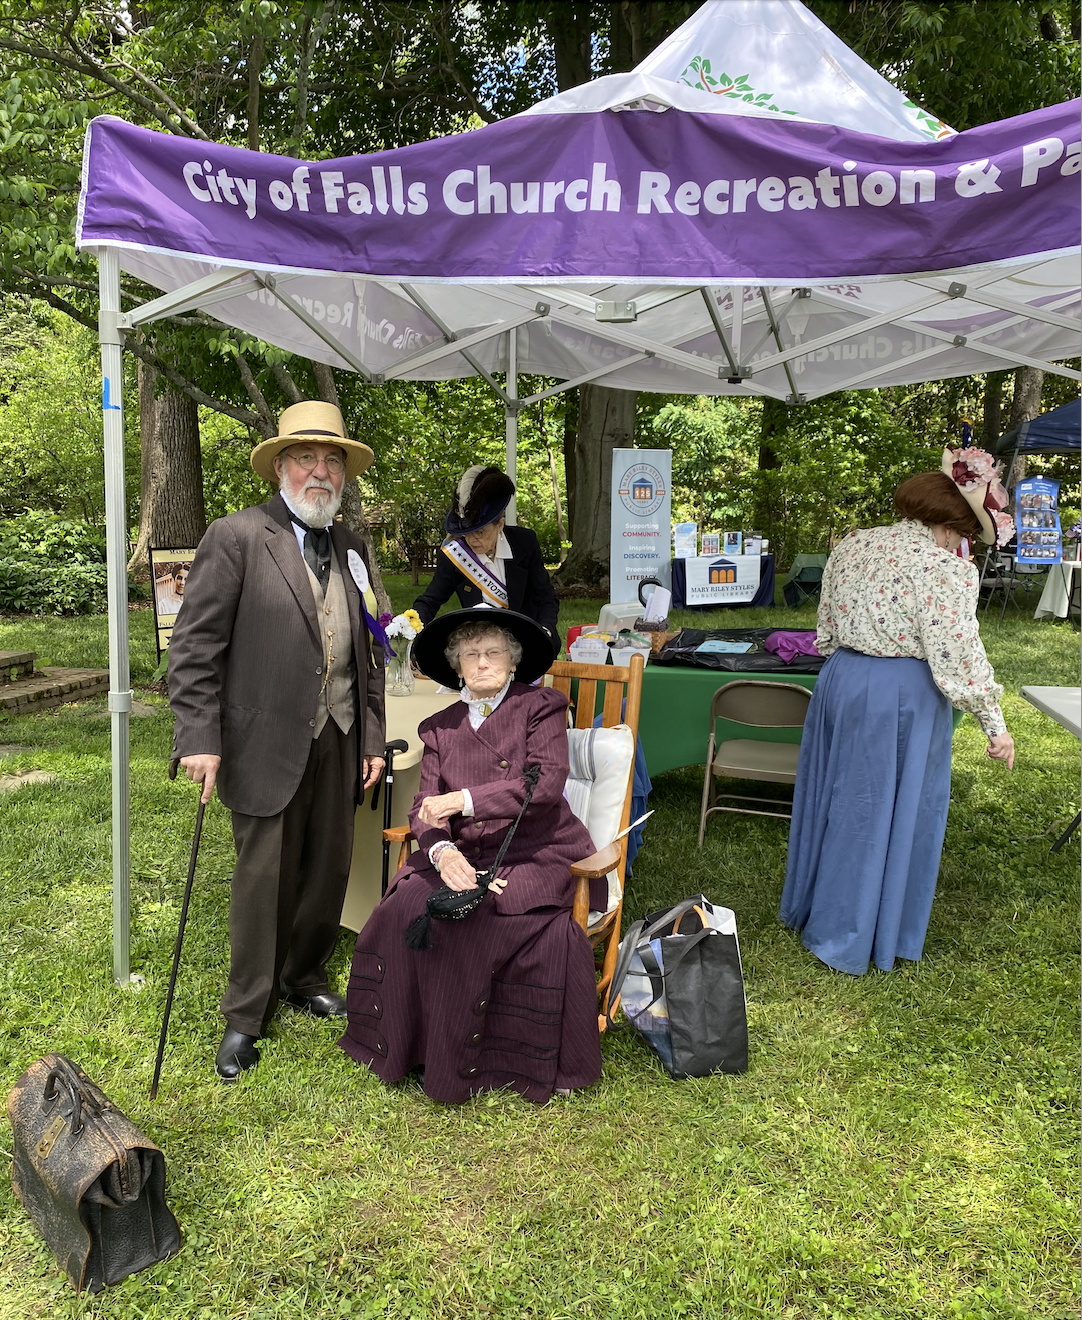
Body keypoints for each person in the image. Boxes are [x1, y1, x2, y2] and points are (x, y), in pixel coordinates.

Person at [168, 401, 388, 1081]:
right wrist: (199, 738)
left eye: (332, 461)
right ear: (281, 467)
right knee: (263, 878)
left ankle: (304, 973)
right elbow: (195, 645)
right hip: (262, 737)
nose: (320, 471)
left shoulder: (352, 548)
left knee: (327, 866)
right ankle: (245, 1014)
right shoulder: (237, 536)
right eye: (306, 458)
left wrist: (373, 738)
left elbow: (371, 649)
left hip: (342, 732)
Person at [339, 609, 603, 1103]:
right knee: (402, 908)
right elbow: (424, 808)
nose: (483, 663)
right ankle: (411, 1045)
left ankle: (477, 1060)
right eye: (471, 655)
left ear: (513, 660)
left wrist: (464, 801)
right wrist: (440, 852)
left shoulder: (542, 706)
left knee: (479, 920)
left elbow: (544, 786)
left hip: (534, 850)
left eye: (494, 653)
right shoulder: (439, 726)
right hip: (463, 851)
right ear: (456, 666)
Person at [780, 446, 1016, 977]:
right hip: (899, 694)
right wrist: (994, 723)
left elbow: (825, 629)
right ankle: (851, 930)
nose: (962, 543)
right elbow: (958, 651)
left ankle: (817, 907)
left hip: (840, 680)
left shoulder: (853, 545)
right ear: (947, 523)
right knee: (876, 810)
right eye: (962, 532)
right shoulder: (942, 569)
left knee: (837, 795)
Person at [413, 465, 561, 656]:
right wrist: (410, 627)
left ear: (499, 524)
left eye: (480, 532)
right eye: (466, 533)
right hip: (480, 646)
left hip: (526, 642)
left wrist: (544, 630)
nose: (472, 539)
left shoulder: (525, 543)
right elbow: (430, 601)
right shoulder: (455, 555)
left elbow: (546, 598)